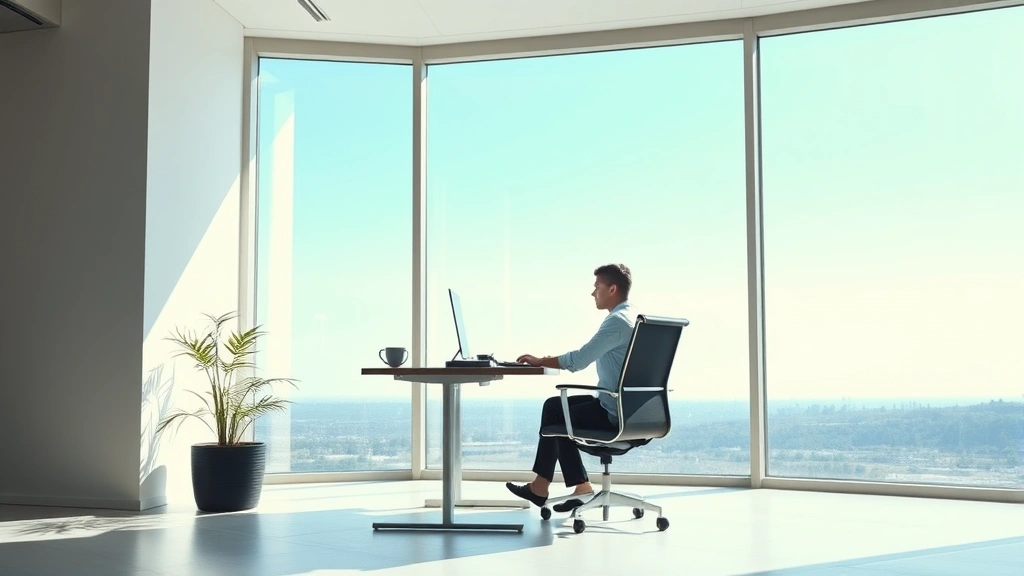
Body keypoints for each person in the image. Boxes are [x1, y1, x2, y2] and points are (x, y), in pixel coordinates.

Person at [506, 263, 637, 513]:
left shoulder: (617, 322)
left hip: (614, 413)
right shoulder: (635, 317)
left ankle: (548, 487)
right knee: (556, 407)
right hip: (634, 411)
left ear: (612, 288)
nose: (592, 293)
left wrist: (541, 360)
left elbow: (578, 360)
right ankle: (571, 486)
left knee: (557, 414)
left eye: (596, 286)